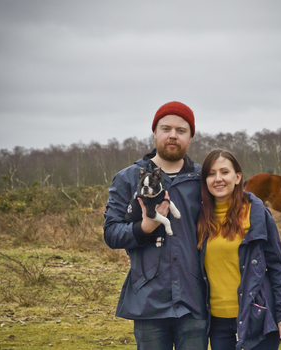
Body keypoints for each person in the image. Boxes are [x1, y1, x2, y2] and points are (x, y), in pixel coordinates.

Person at [103, 101, 207, 350]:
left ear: (191, 136)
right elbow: (111, 233)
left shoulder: (203, 180)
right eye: (166, 128)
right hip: (148, 299)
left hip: (194, 299)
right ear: (155, 132)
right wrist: (143, 229)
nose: (173, 135)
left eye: (181, 130)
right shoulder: (128, 178)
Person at [197, 149, 281, 350]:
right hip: (218, 324)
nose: (218, 179)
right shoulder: (198, 217)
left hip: (256, 317)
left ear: (237, 177)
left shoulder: (256, 213)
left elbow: (277, 265)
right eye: (211, 173)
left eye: (224, 172)